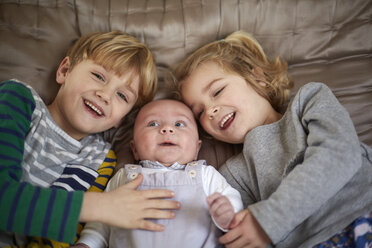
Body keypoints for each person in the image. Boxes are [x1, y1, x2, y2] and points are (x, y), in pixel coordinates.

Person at [173, 30, 372, 248]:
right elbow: (251, 236)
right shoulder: (233, 175)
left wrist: (267, 220)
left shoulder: (308, 101)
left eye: (218, 91)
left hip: (362, 209)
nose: (210, 110)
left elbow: (340, 155)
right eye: (199, 112)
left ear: (258, 78)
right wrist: (229, 221)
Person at [0, 30, 180, 247]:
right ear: (65, 71)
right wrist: (102, 206)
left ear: (121, 121)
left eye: (122, 96)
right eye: (98, 76)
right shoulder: (18, 99)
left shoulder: (102, 159)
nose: (105, 95)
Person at [73, 99, 243, 248]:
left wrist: (227, 212)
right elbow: (101, 218)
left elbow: (231, 198)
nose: (167, 129)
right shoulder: (125, 177)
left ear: (197, 149)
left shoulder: (205, 175)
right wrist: (87, 243)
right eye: (153, 124)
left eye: (179, 124)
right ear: (135, 149)